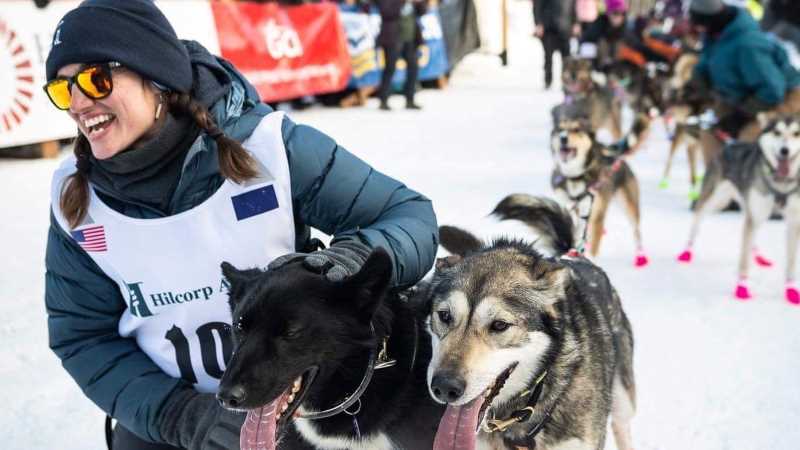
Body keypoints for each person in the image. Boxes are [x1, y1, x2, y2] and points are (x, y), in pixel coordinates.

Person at [43, 1, 438, 449]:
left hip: (291, 405)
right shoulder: (76, 202)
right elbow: (81, 336)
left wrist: (350, 258)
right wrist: (180, 415)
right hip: (166, 420)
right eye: (61, 89)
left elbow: (409, 215)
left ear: (156, 78)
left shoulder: (268, 148)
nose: (77, 103)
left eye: (96, 79)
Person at [687, 0, 800, 161]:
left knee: (746, 139)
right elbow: (707, 62)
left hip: (783, 98)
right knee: (710, 134)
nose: (697, 30)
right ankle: (718, 179)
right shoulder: (715, 35)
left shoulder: (747, 45)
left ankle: (747, 182)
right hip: (744, 97)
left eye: (699, 25)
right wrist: (696, 83)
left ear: (710, 20)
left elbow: (773, 89)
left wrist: (741, 116)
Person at [376, 0, 427, 110]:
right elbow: (386, 12)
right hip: (392, 38)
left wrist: (419, 3)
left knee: (413, 68)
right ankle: (383, 100)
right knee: (390, 68)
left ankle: (410, 99)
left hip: (410, 38)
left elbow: (422, 11)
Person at [533, 0, 579, 90]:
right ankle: (548, 80)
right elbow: (537, 7)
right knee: (548, 57)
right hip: (549, 28)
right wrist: (538, 24)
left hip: (565, 27)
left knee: (566, 58)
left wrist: (575, 23)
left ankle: (565, 82)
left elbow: (573, 8)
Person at [580, 0, 630, 71]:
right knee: (601, 42)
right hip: (597, 66)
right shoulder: (598, 26)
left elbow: (636, 45)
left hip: (617, 69)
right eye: (615, 13)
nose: (619, 17)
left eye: (622, 14)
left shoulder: (625, 30)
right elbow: (585, 42)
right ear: (609, 14)